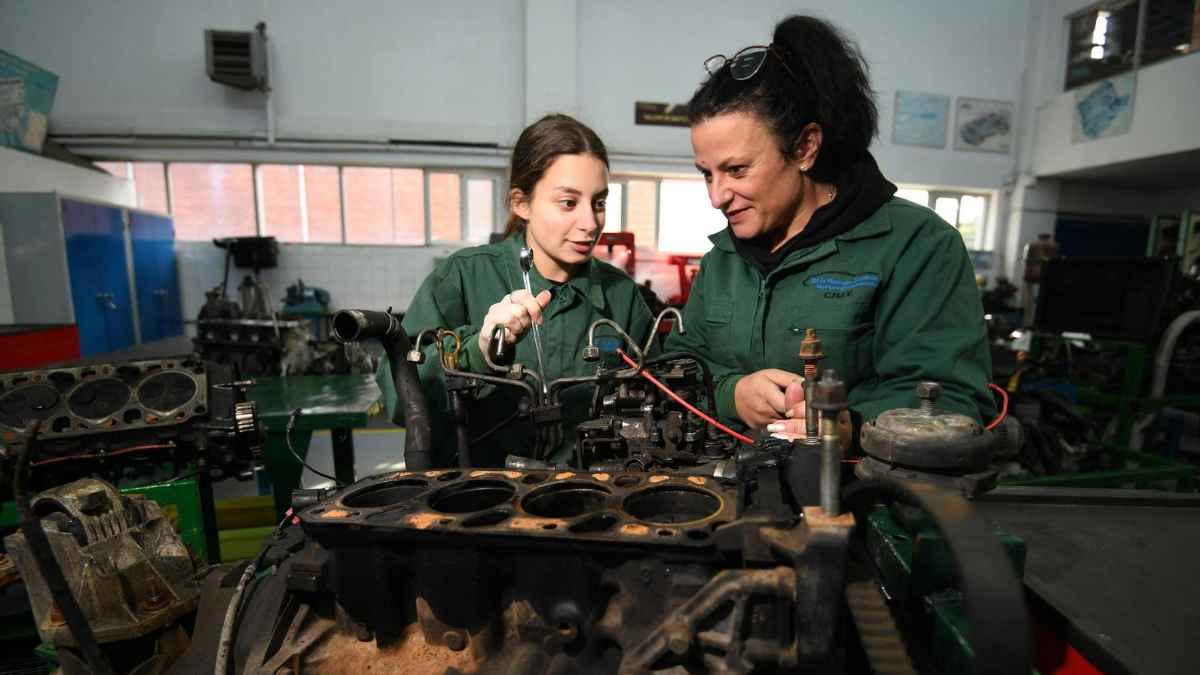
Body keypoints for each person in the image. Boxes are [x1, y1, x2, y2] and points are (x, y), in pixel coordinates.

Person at [666, 15, 995, 443]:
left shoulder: (916, 246)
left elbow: (953, 397)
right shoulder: (724, 260)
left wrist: (851, 423)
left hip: (860, 496)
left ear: (805, 147)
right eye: (706, 174)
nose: (717, 196)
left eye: (737, 170)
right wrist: (732, 393)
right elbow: (679, 366)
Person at [381, 114, 654, 467]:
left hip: (589, 499)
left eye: (598, 202)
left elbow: (658, 404)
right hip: (477, 500)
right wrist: (476, 352)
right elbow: (400, 398)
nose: (590, 223)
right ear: (521, 203)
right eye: (568, 203)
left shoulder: (623, 299)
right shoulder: (463, 276)